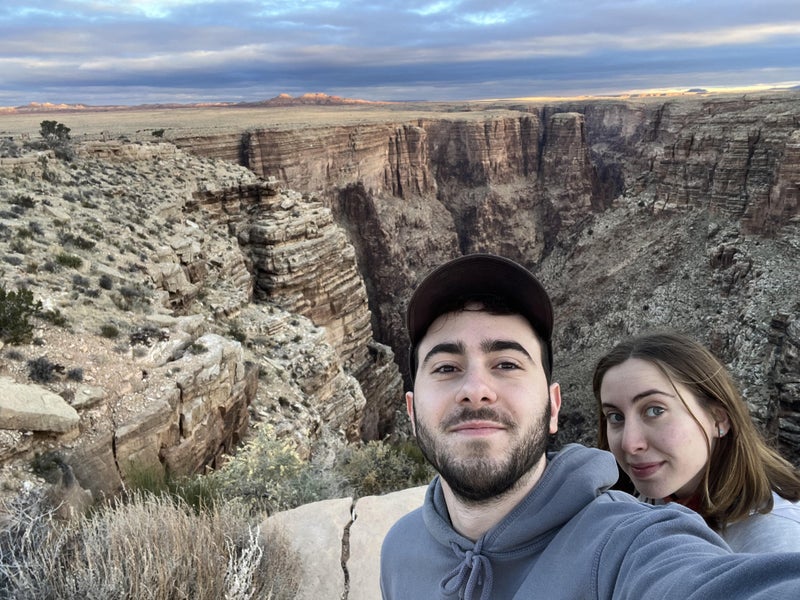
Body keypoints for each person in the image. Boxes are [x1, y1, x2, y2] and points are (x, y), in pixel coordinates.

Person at [380, 253, 800, 600]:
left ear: (553, 407)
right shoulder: (399, 549)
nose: (475, 390)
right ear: (411, 412)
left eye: (506, 364)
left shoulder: (628, 545)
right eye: (446, 367)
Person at [593, 330, 800, 553]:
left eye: (655, 410)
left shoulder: (776, 544)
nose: (629, 443)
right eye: (616, 417)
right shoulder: (633, 505)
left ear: (718, 419)